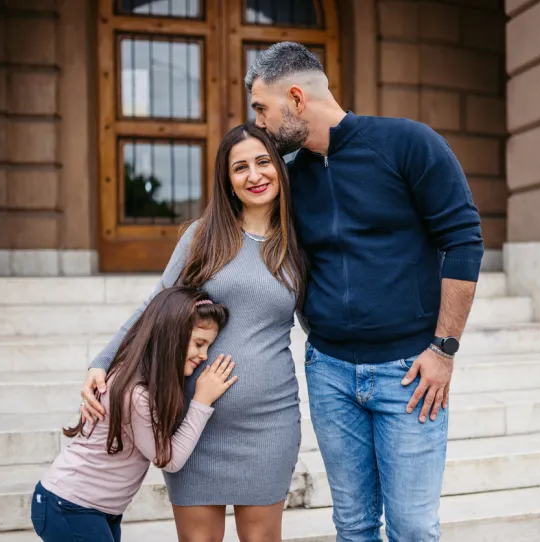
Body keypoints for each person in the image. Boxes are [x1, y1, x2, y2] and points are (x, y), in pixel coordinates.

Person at [245, 42, 484, 541]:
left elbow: (463, 240)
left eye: (262, 109)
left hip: (410, 375)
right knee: (353, 527)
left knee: (413, 528)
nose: (260, 125)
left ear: (295, 97)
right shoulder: (290, 179)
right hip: (329, 372)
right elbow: (242, 244)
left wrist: (444, 350)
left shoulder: (408, 144)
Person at [79, 123, 307, 542]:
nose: (254, 176)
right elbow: (155, 306)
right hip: (192, 423)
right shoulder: (202, 235)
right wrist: (103, 361)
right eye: (240, 168)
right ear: (228, 181)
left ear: (279, 167)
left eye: (262, 162)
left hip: (269, 423)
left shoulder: (299, 240)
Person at [31, 286, 236, 542]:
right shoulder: (134, 393)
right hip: (70, 505)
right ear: (171, 335)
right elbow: (168, 459)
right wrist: (201, 401)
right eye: (198, 343)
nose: (204, 356)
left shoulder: (139, 378)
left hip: (93, 509)